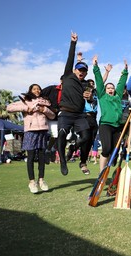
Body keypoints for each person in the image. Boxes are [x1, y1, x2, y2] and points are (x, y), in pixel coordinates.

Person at [7, 84, 55, 193]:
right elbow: (9, 107)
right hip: (30, 131)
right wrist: (26, 108)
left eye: (38, 89)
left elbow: (52, 116)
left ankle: (41, 180)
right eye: (34, 89)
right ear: (30, 91)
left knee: (42, 157)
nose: (37, 90)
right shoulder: (25, 100)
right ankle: (32, 182)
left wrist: (44, 110)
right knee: (31, 156)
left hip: (43, 131)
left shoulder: (45, 102)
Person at [57, 31, 92, 176]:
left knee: (86, 137)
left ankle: (72, 149)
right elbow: (70, 58)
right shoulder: (68, 76)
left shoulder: (86, 84)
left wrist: (89, 97)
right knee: (61, 135)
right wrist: (73, 43)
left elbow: (90, 99)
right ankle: (63, 162)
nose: (82, 72)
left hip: (79, 115)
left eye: (84, 71)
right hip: (65, 113)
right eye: (80, 70)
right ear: (75, 70)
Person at [94, 55, 128, 173]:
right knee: (106, 148)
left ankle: (111, 162)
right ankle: (102, 172)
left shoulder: (118, 97)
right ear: (105, 89)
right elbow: (98, 81)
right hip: (105, 125)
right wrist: (96, 67)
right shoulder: (102, 96)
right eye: (108, 87)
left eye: (112, 88)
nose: (110, 89)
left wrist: (125, 71)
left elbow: (121, 83)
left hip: (117, 126)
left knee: (115, 150)